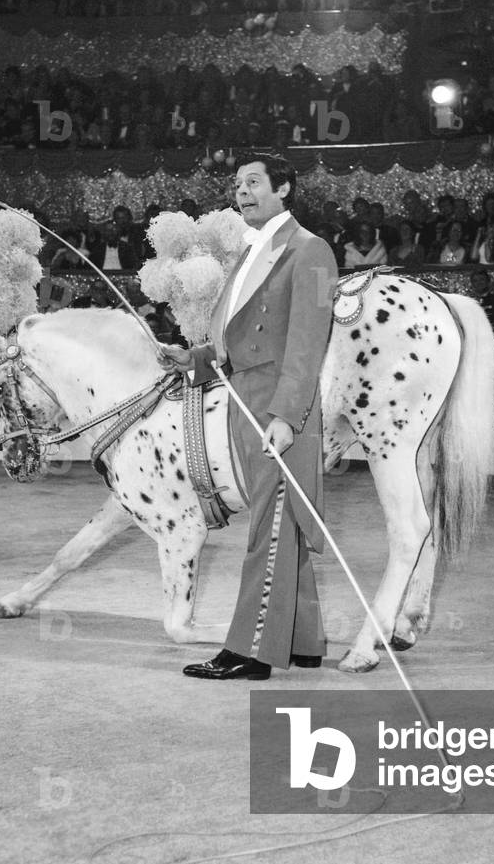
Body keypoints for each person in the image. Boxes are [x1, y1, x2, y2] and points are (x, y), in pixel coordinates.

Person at [159, 153, 337, 681]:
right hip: (245, 401)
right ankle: (302, 641)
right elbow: (238, 344)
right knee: (284, 524)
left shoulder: (311, 251)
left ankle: (251, 651)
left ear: (284, 188)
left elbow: (307, 344)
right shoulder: (249, 253)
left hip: (280, 410)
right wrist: (193, 359)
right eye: (238, 184)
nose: (242, 192)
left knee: (271, 526)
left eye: (254, 182)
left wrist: (286, 416)